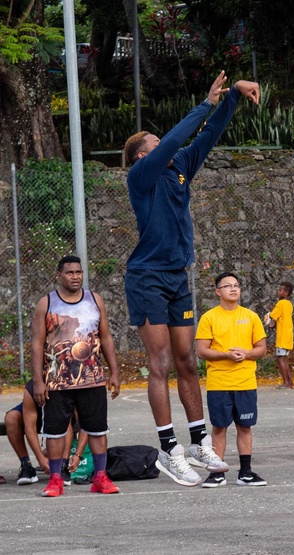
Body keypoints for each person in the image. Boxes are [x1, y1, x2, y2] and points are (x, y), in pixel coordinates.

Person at [122, 71, 259, 486]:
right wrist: (204, 103)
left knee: (186, 361)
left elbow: (208, 136)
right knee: (160, 362)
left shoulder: (179, 167)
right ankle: (169, 449)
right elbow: (176, 139)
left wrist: (231, 97)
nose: (165, 145)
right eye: (156, 144)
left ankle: (199, 440)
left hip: (177, 277)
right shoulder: (141, 177)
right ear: (144, 156)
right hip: (146, 277)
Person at [30, 255, 121, 497]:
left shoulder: (95, 300)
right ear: (58, 275)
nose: (75, 276)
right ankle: (56, 479)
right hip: (57, 381)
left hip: (92, 378)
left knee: (98, 429)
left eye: (79, 272)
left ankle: (100, 477)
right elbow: (37, 343)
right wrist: (38, 381)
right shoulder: (47, 303)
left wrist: (114, 371)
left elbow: (106, 337)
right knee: (55, 432)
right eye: (70, 273)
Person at [195, 272, 268, 488]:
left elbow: (262, 349)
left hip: (245, 382)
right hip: (219, 383)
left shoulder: (251, 316)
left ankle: (245, 472)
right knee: (219, 427)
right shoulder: (209, 318)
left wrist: (246, 353)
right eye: (227, 286)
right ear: (218, 291)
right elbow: (201, 351)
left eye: (236, 285)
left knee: (245, 426)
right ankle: (217, 472)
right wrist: (226, 355)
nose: (233, 289)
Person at [5, 379, 52, 485]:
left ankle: (64, 464)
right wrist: (40, 458)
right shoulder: (32, 386)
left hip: (60, 408)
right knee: (11, 418)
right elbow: (30, 427)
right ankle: (26, 465)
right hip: (34, 410)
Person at [267, 281, 294, 389]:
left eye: (280, 290)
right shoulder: (289, 304)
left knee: (280, 358)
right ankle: (290, 382)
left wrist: (271, 309)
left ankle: (286, 383)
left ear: (286, 293)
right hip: (288, 334)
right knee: (283, 358)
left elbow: (273, 316)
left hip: (282, 335)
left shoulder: (280, 304)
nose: (278, 292)